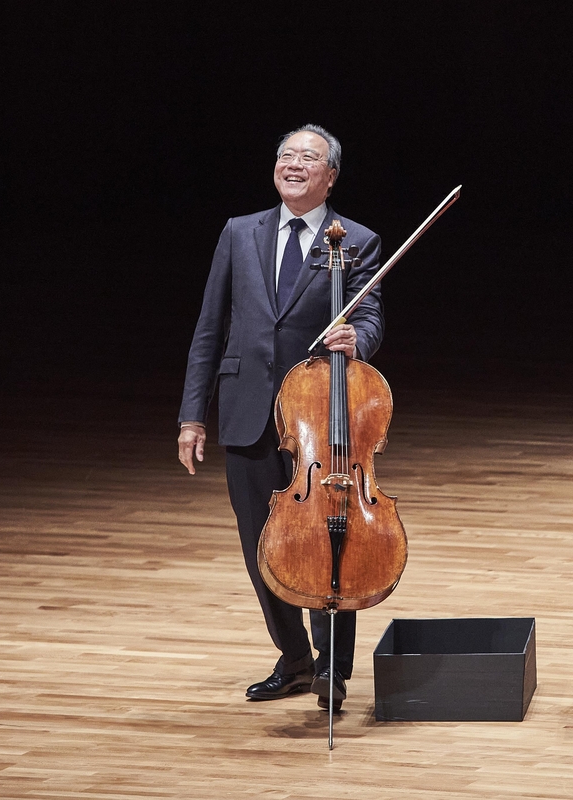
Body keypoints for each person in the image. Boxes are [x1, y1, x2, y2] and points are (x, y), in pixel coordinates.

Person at [177, 124, 384, 711]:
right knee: (261, 546)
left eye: (308, 158)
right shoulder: (239, 233)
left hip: (321, 419)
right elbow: (210, 329)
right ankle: (295, 660)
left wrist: (355, 339)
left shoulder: (357, 240)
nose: (294, 164)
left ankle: (334, 670)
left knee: (329, 545)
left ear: (331, 175)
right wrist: (193, 416)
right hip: (245, 409)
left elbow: (370, 318)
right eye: (286, 156)